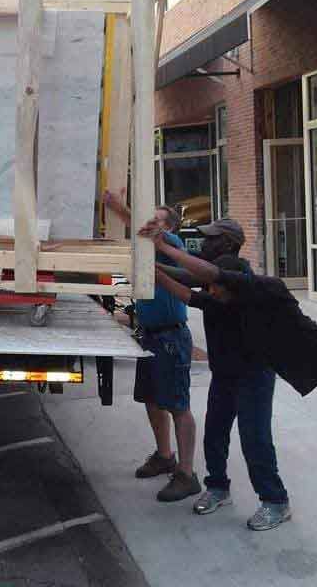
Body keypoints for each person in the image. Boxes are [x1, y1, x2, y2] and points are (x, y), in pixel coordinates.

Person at [143, 222, 317, 568]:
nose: (212, 293)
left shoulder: (267, 289)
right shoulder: (230, 302)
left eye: (217, 288)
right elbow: (191, 292)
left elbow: (208, 274)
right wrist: (154, 270)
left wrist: (166, 246)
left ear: (233, 282)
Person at [159, 218, 291, 531]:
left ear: (228, 243)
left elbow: (190, 282)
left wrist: (156, 267)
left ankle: (275, 501)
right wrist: (153, 270)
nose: (204, 243)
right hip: (226, 372)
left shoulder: (234, 269)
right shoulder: (214, 269)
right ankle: (217, 488)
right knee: (215, 433)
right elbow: (191, 289)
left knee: (254, 439)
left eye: (211, 239)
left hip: (253, 372)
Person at [103, 190, 200, 502]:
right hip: (149, 335)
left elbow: (148, 233)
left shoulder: (173, 247)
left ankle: (186, 474)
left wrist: (120, 208)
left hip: (171, 338)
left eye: (158, 222)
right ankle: (164, 455)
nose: (151, 226)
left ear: (169, 228)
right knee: (152, 400)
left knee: (178, 405)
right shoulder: (145, 251)